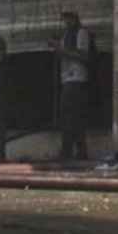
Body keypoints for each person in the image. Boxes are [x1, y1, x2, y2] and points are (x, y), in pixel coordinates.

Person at [49, 11, 92, 161]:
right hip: (67, 79)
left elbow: (83, 55)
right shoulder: (66, 35)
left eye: (69, 18)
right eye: (65, 19)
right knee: (66, 116)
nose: (66, 21)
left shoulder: (81, 33)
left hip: (77, 79)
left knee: (74, 117)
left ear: (75, 18)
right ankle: (68, 150)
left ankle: (78, 150)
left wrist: (61, 50)